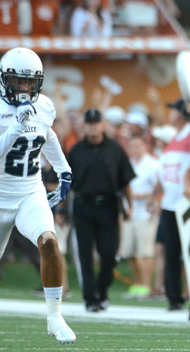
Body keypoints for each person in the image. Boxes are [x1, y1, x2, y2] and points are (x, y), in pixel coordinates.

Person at [0, 47, 75, 343]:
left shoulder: (45, 106)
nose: (23, 88)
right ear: (3, 80)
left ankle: (54, 316)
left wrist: (63, 170)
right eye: (17, 81)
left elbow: (47, 135)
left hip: (29, 191)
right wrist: (14, 127)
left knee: (49, 242)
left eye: (29, 82)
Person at [68, 108, 135, 312]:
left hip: (108, 205)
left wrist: (129, 205)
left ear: (103, 125)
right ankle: (90, 299)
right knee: (85, 254)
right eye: (89, 123)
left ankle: (102, 290)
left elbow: (125, 181)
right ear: (84, 126)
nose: (93, 126)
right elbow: (67, 182)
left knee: (109, 253)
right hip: (83, 206)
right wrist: (61, 211)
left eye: (96, 122)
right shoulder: (76, 150)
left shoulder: (115, 148)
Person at [153, 98, 190, 311]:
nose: (171, 113)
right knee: (171, 252)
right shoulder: (175, 137)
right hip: (169, 204)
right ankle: (174, 297)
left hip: (187, 202)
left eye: (174, 110)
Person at [118, 136, 160, 299]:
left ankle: (147, 285)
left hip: (145, 214)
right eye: (132, 147)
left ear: (145, 147)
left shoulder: (152, 165)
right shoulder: (129, 164)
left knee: (145, 252)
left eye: (138, 146)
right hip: (129, 213)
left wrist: (144, 197)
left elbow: (160, 188)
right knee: (129, 252)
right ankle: (138, 283)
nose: (135, 150)